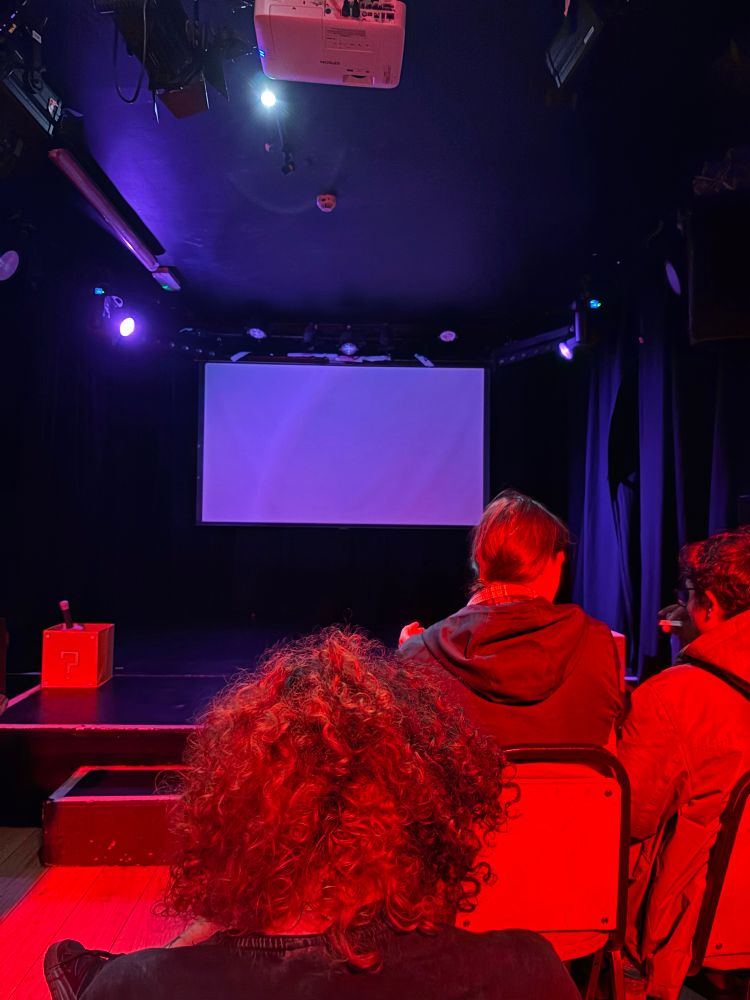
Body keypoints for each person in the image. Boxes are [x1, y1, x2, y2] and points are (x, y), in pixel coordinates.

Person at [44, 628, 579, 1000]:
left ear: (241, 814)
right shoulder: (525, 973)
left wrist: (175, 956)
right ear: (423, 808)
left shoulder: (138, 989)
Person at [620, 527, 750, 1000]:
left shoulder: (672, 700)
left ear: (711, 605)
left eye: (690, 597)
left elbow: (628, 818)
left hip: (687, 945)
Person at [398, 489, 624, 747]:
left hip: (471, 788)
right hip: (577, 789)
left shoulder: (420, 652)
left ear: (479, 562)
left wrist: (414, 654)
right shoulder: (596, 642)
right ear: (552, 564)